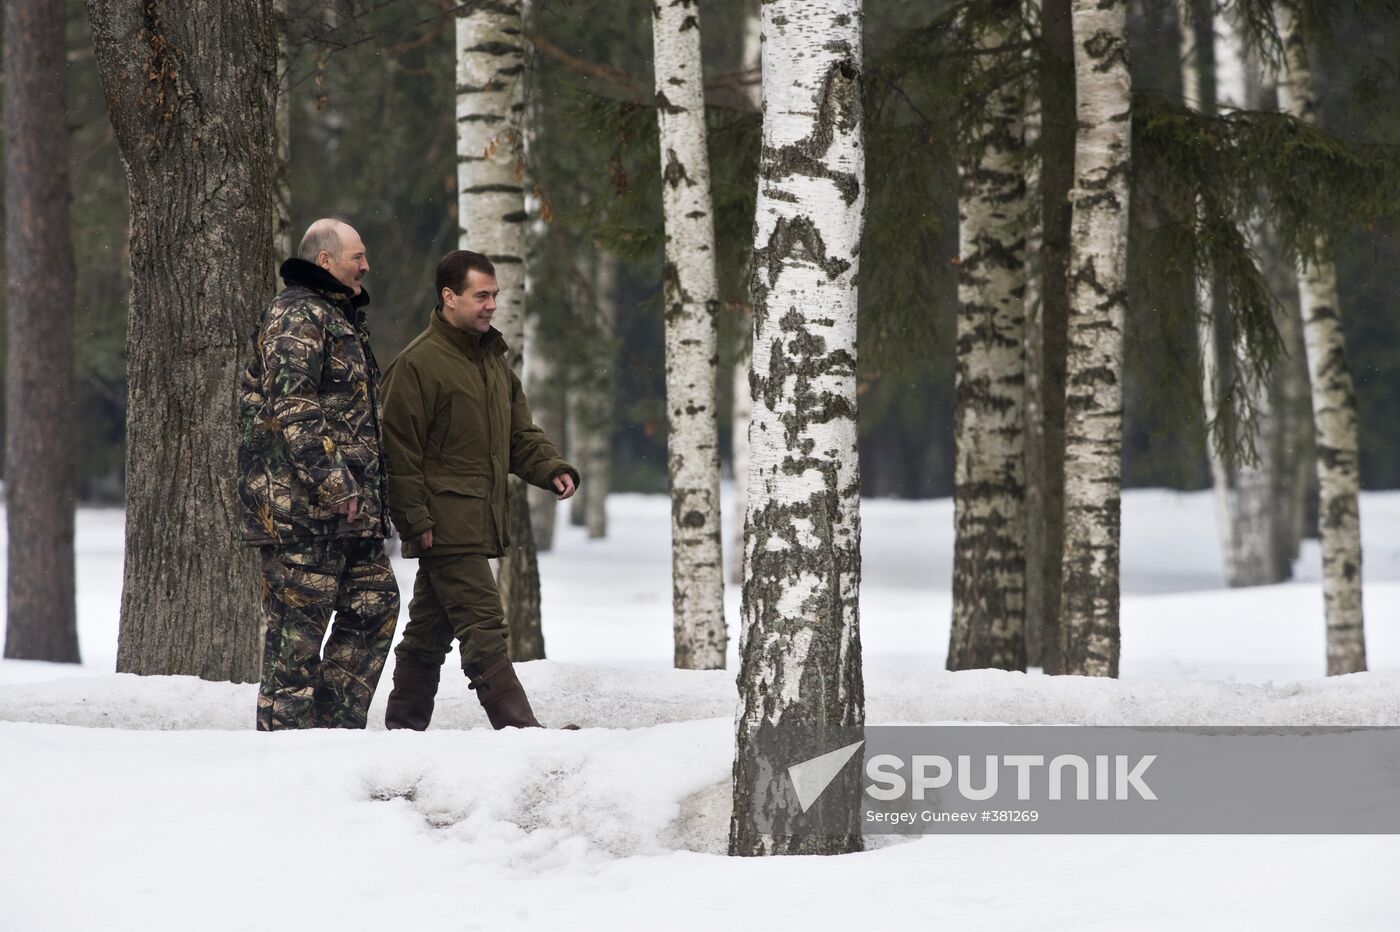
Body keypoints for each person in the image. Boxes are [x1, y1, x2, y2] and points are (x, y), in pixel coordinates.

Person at [380, 249, 578, 730]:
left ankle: (403, 726)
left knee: (430, 628)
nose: (491, 305)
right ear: (449, 297)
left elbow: (518, 435)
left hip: (475, 519)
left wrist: (550, 468)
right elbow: (397, 453)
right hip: (445, 524)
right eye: (481, 296)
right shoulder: (418, 364)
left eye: (495, 295)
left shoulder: (492, 362)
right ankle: (519, 729)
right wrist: (415, 521)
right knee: (483, 622)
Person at [237, 218, 400, 731]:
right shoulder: (296, 315)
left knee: (375, 605)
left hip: (350, 513)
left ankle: (332, 734)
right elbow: (295, 409)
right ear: (325, 260)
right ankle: (283, 750)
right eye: (358, 256)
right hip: (303, 512)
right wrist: (333, 484)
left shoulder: (338, 317)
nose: (366, 266)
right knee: (297, 639)